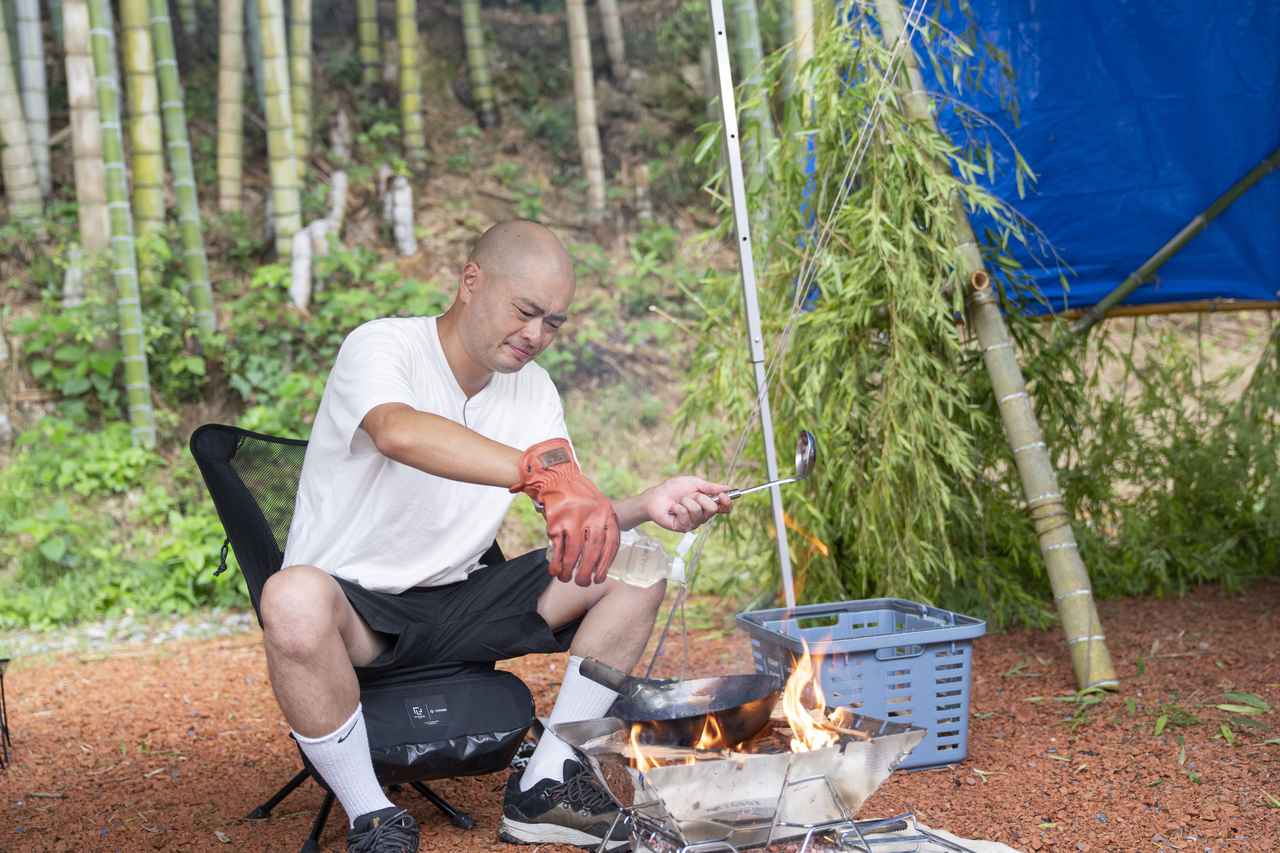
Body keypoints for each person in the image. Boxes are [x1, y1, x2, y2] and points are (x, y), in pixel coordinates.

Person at [266, 220, 731, 852]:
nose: (536, 336)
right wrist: (533, 470)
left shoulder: (533, 389)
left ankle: (549, 781)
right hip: (357, 613)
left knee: (636, 565)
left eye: (554, 324)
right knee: (290, 596)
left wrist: (646, 505)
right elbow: (398, 432)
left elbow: (573, 524)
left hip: (462, 599)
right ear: (470, 281)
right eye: (526, 312)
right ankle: (372, 815)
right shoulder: (383, 346)